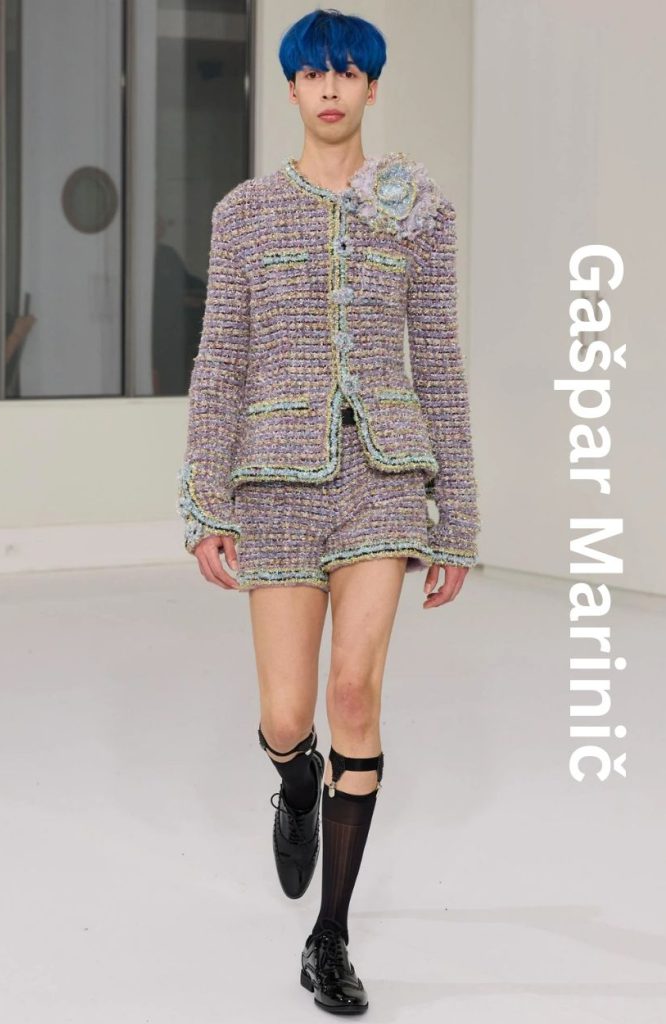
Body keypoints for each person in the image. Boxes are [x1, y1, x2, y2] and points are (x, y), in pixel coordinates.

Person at [176, 7, 481, 1014]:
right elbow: (220, 360)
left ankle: (330, 937)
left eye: (350, 73)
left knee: (354, 694)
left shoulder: (417, 209)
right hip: (273, 481)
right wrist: (206, 498)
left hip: (383, 476)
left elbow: (438, 360)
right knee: (287, 714)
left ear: (372, 87)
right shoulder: (245, 213)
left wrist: (456, 516)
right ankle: (295, 779)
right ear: (293, 89)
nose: (332, 89)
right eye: (315, 75)